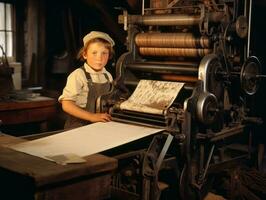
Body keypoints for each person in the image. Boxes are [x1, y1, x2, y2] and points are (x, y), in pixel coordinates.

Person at [58, 31, 114, 129]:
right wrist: (91, 117)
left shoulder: (107, 76)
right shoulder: (78, 75)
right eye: (94, 53)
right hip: (78, 128)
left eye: (104, 53)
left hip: (99, 127)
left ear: (109, 56)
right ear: (85, 54)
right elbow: (66, 104)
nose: (99, 58)